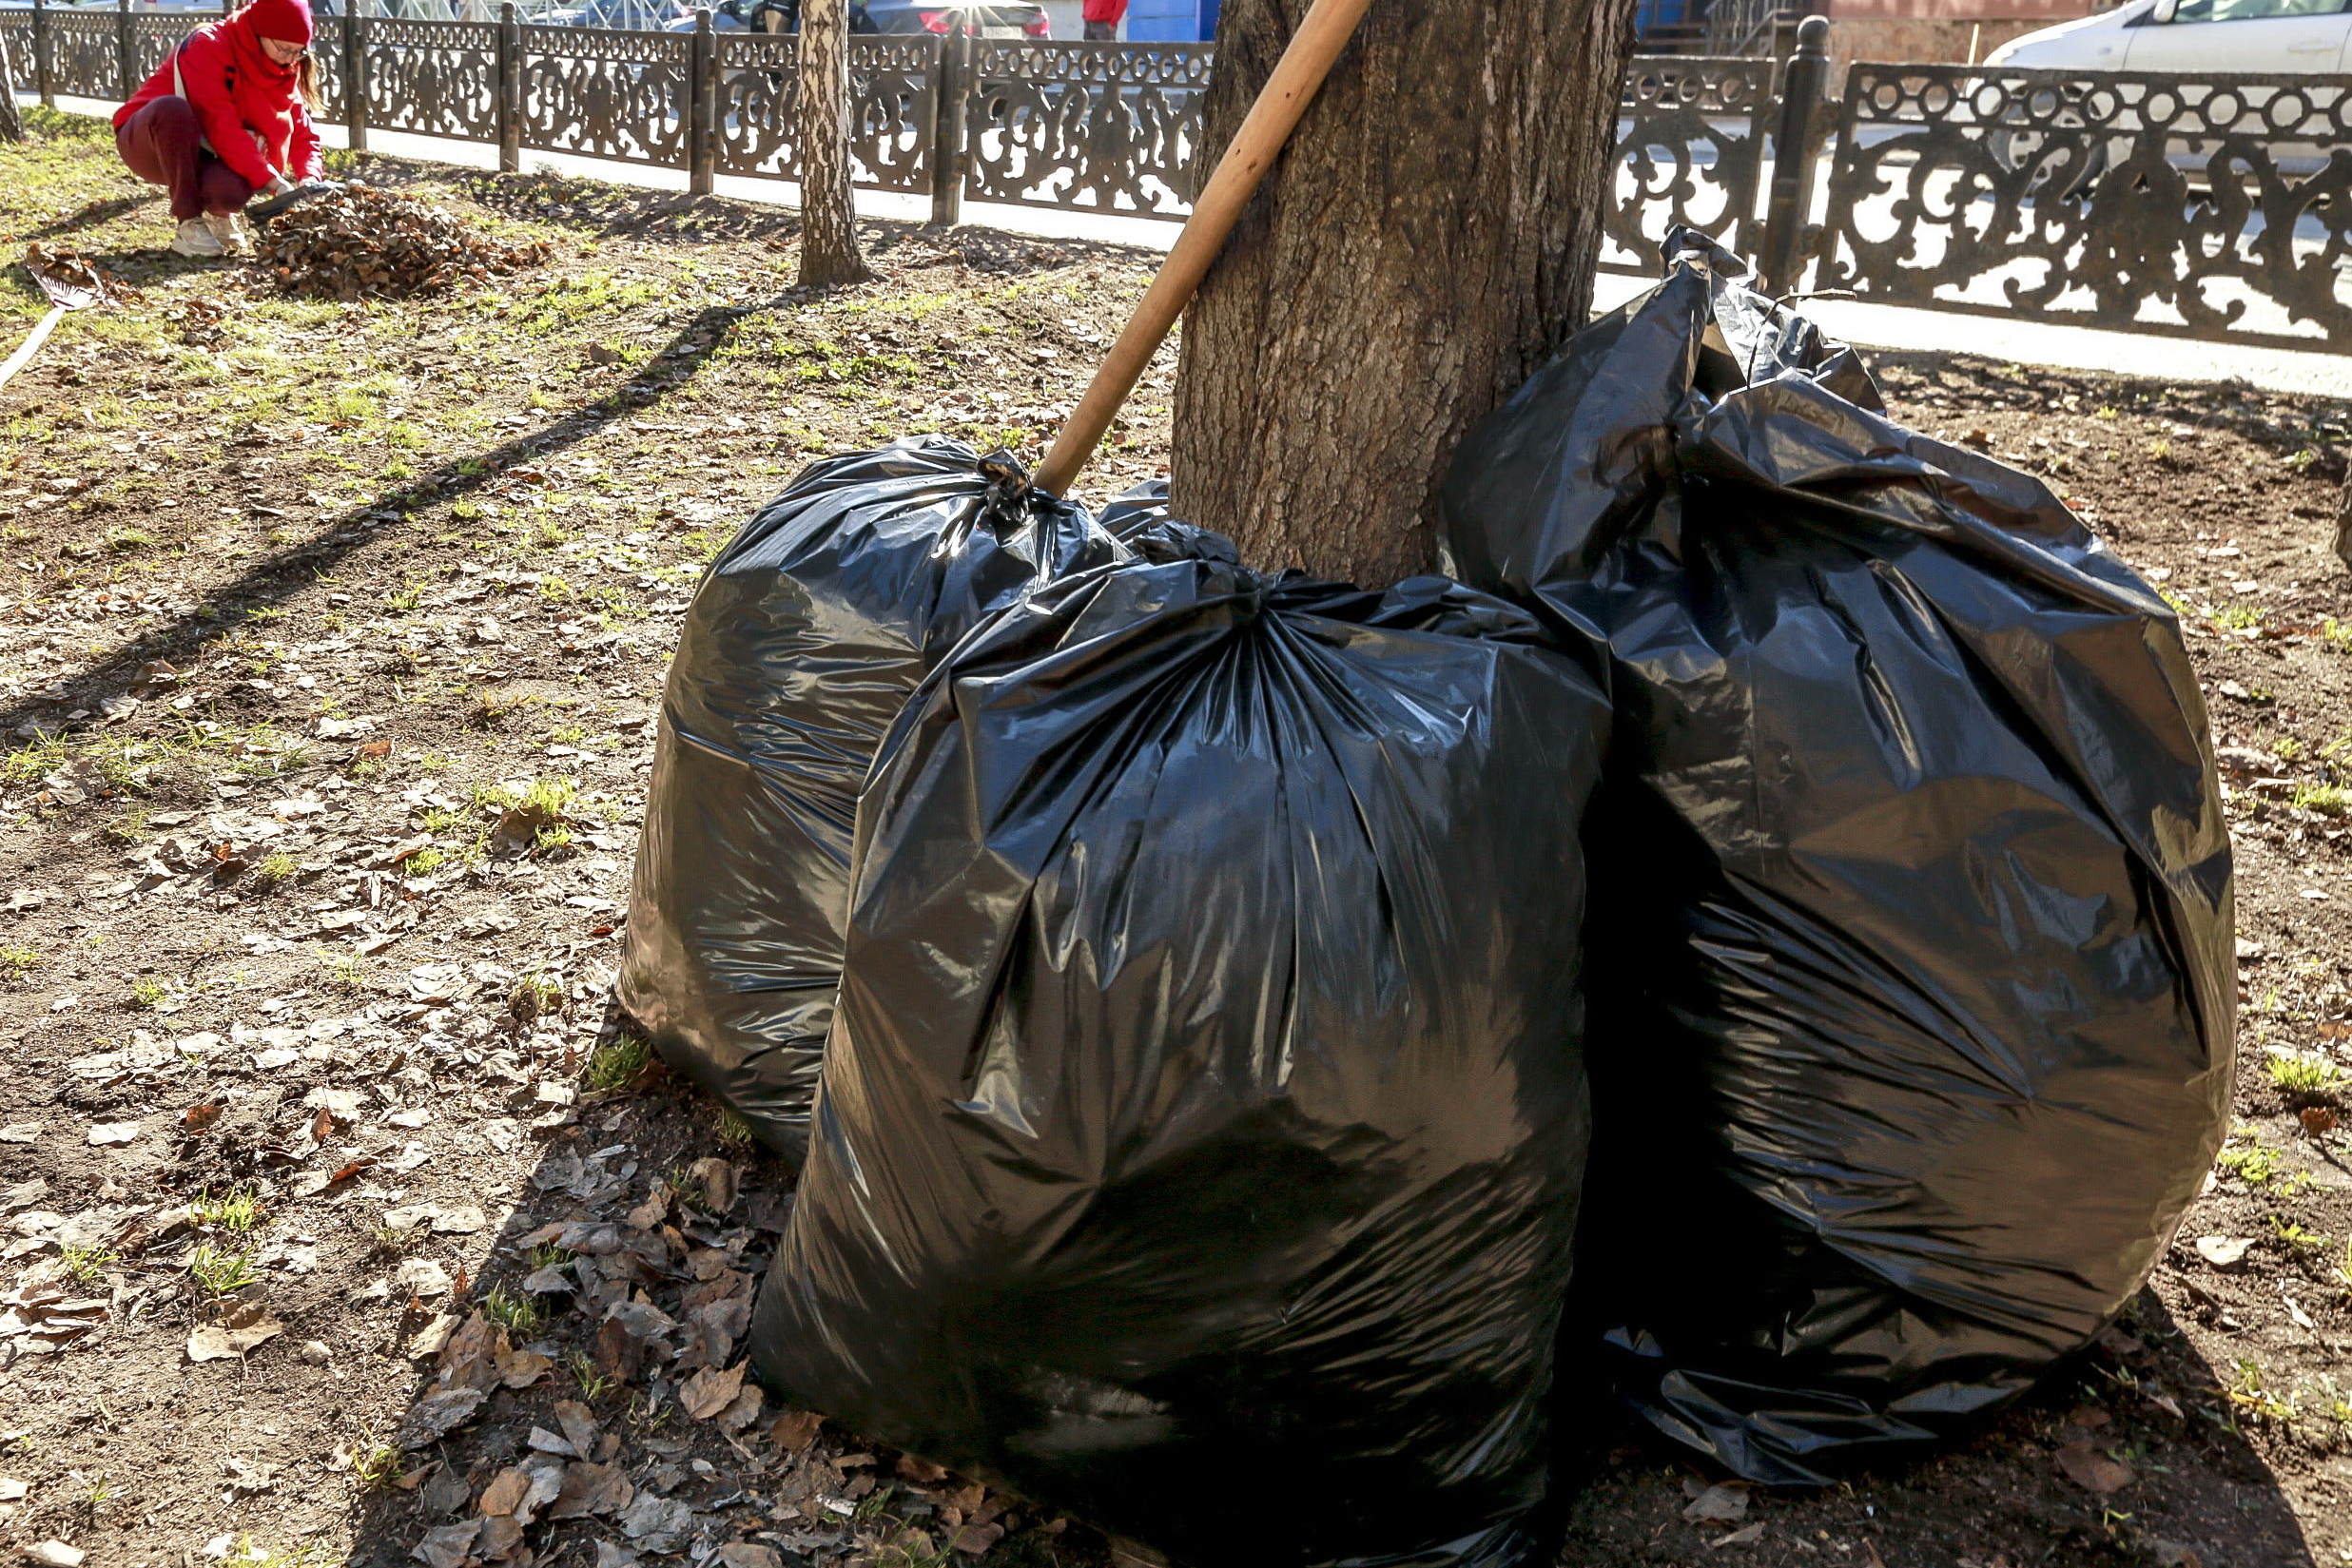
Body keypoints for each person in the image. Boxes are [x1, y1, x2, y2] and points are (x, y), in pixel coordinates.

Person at [112, 0, 325, 260]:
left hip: (205, 148)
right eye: (284, 49)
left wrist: (309, 178)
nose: (291, 59)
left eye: (299, 52)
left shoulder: (285, 64)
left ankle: (218, 216)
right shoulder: (209, 45)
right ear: (259, 33)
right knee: (172, 109)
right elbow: (220, 123)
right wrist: (271, 180)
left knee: (230, 191)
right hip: (149, 141)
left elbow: (301, 128)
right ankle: (188, 223)